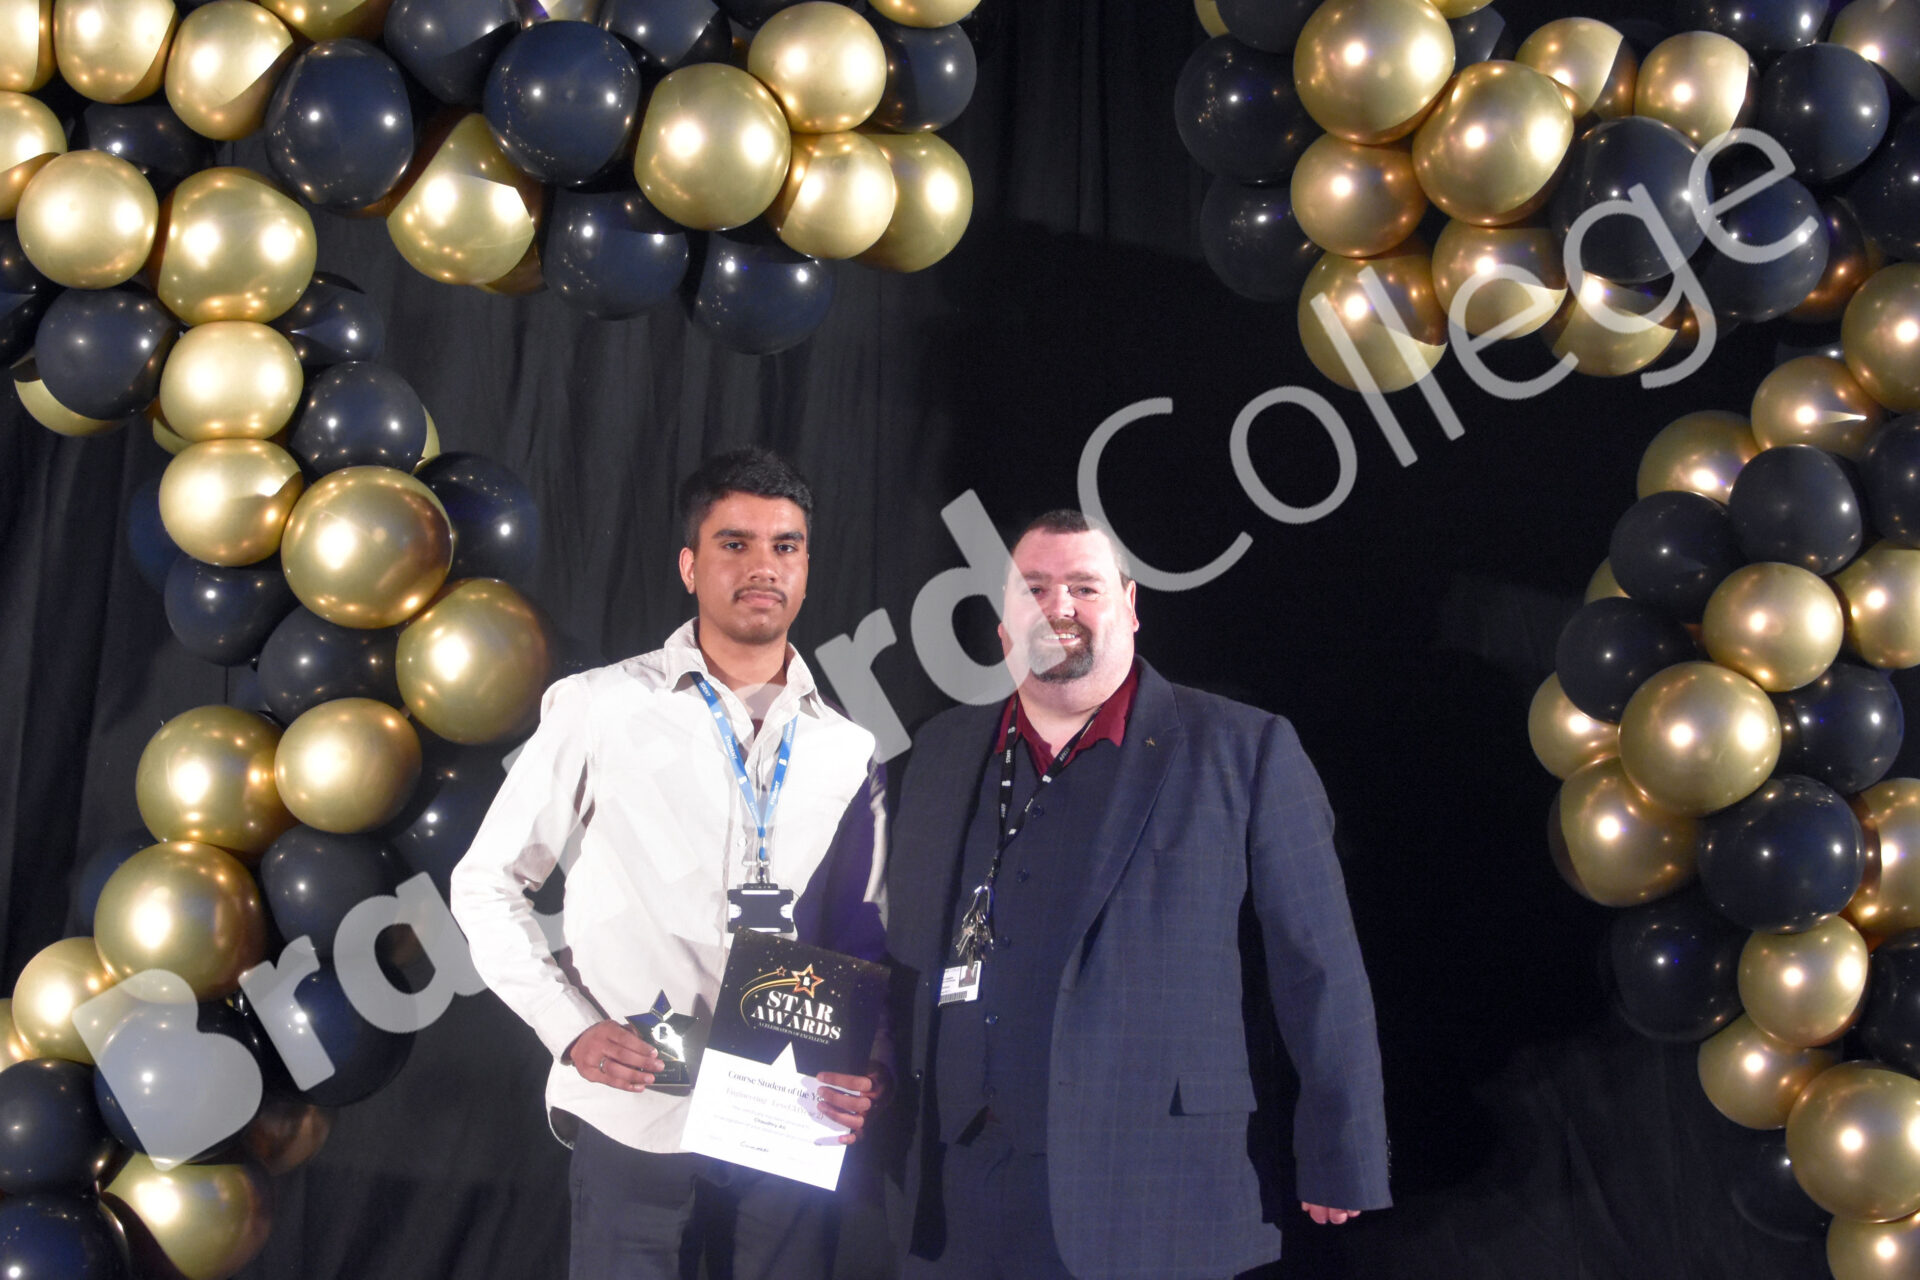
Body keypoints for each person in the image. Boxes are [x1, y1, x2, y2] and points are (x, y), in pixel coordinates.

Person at [884, 509, 1390, 1280]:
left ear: (1129, 606)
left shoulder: (1243, 748)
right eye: (1034, 588)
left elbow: (1318, 967)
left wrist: (1341, 1149)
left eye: (1084, 587)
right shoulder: (940, 748)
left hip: (1156, 1184)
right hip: (957, 1195)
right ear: (1002, 622)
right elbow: (897, 943)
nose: (1058, 606)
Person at [450, 448, 889, 1280]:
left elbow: (863, 932)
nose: (763, 567)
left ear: (806, 567)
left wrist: (872, 1061)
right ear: (690, 566)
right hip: (636, 1115)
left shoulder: (847, 747)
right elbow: (485, 884)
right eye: (735, 544)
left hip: (784, 1122)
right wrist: (570, 1028)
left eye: (785, 546)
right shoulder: (602, 707)